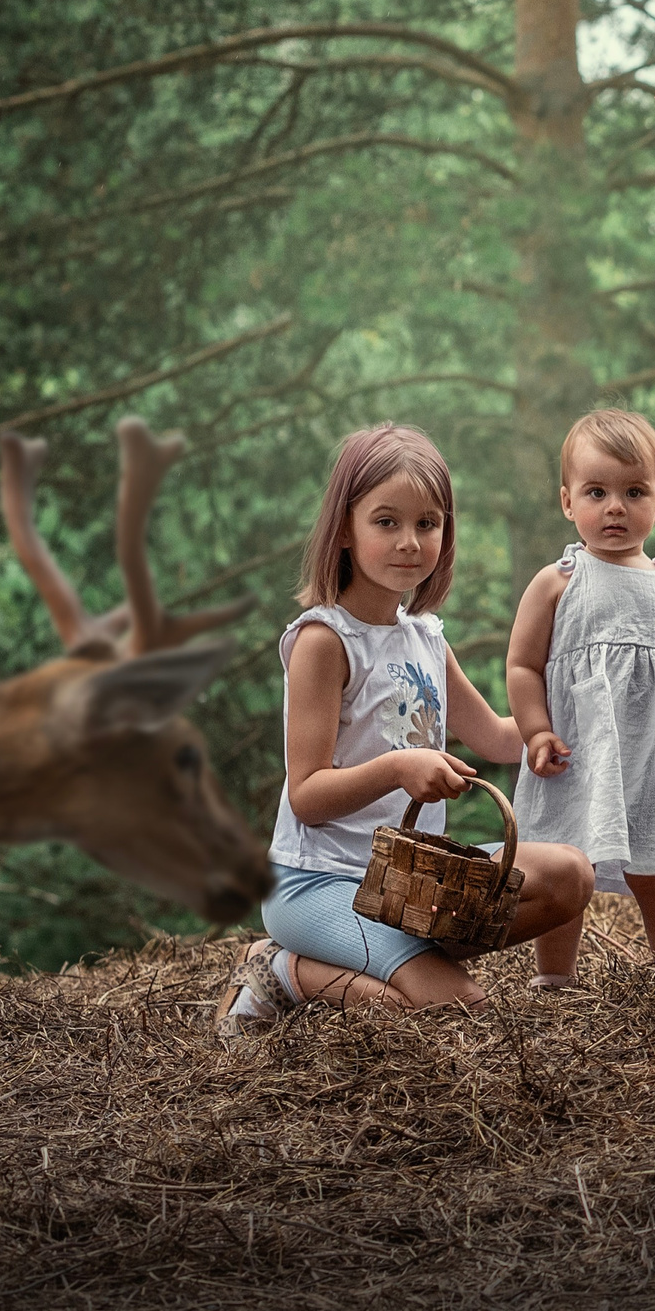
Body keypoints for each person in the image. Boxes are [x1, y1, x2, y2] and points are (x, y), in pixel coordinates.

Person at [219, 423, 593, 1036]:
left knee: (570, 875)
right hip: (319, 882)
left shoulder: (426, 637)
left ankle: (407, 960)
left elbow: (499, 738)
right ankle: (281, 967)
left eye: (428, 523)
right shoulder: (324, 641)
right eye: (386, 521)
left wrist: (574, 709)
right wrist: (398, 768)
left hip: (408, 883)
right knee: (454, 1011)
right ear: (344, 527)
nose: (410, 542)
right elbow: (307, 795)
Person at [505, 409, 655, 987]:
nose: (615, 508)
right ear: (567, 501)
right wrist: (536, 730)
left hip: (653, 762)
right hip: (577, 758)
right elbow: (523, 666)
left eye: (634, 492)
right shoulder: (558, 581)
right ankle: (555, 978)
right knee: (564, 864)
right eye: (596, 492)